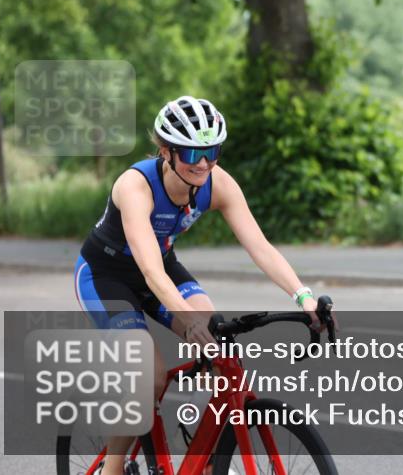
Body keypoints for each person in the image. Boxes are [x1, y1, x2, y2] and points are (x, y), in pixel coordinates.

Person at [73, 96, 326, 475]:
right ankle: (111, 470)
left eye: (212, 151)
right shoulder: (135, 186)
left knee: (220, 343)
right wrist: (187, 319)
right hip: (106, 276)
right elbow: (150, 272)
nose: (204, 163)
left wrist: (303, 296)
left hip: (162, 267)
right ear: (166, 152)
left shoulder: (216, 183)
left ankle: (207, 460)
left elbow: (259, 245)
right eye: (192, 153)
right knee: (150, 375)